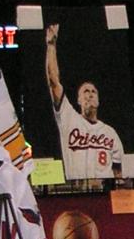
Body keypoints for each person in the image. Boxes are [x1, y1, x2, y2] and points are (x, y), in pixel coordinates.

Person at [44, 22, 125, 179]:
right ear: (78, 100)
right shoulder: (69, 118)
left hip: (103, 189)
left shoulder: (110, 132)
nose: (90, 94)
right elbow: (53, 81)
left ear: (98, 100)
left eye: (93, 92)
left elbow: (119, 172)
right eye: (85, 92)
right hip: (76, 188)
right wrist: (51, 46)